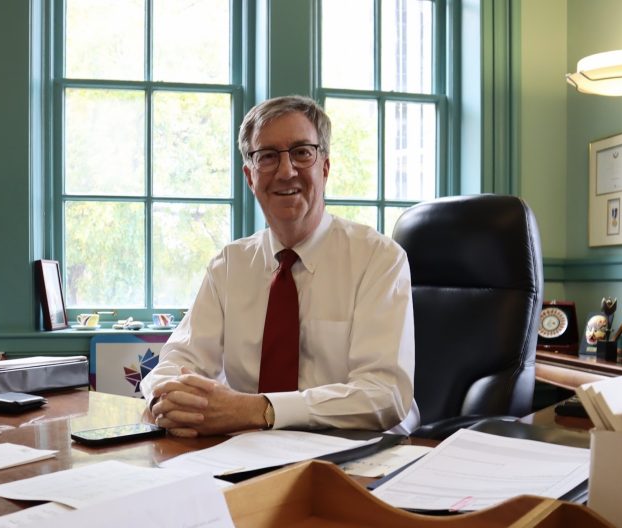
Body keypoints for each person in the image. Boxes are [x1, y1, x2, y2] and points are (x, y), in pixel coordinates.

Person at [140, 95, 418, 438]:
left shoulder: (378, 259)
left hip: (359, 454)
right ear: (249, 176)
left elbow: (384, 394)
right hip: (248, 452)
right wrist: (165, 399)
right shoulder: (229, 266)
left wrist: (258, 409)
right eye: (268, 157)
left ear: (325, 167)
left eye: (302, 152)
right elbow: (176, 360)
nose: (286, 172)